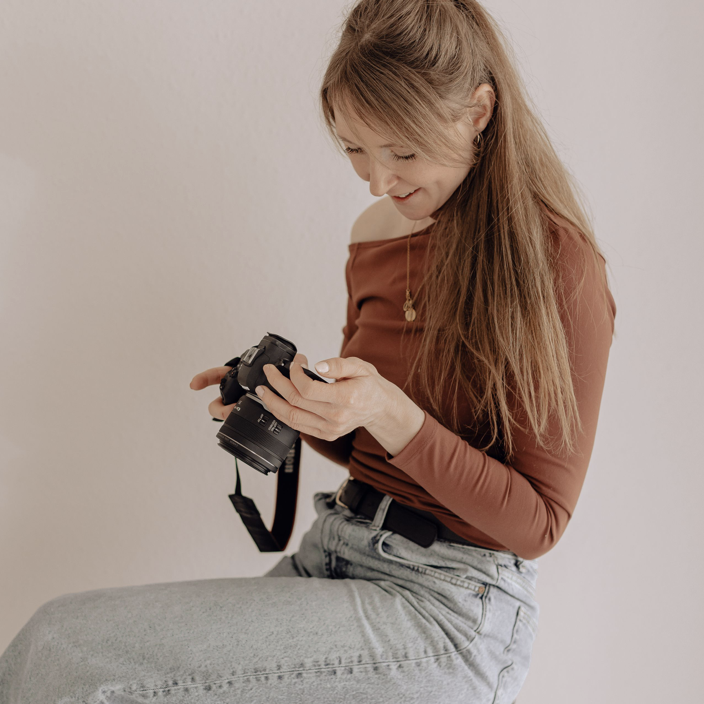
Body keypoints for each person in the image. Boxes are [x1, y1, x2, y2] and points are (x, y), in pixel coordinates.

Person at [0, 1, 617, 702]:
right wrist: (293, 403)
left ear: (477, 112)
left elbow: (538, 524)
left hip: (449, 605)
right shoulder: (377, 233)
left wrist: (391, 412)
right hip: (334, 549)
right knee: (62, 649)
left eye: (402, 152)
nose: (378, 180)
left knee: (67, 651)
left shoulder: (557, 263)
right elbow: (372, 452)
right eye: (355, 149)